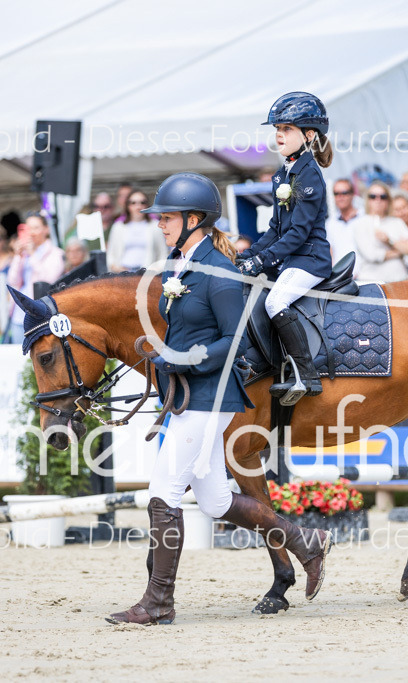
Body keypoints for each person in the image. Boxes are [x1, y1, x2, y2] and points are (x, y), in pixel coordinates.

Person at [106, 172, 330, 625]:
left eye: (167, 218)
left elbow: (234, 340)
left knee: (163, 495)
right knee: (215, 502)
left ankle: (158, 603)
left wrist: (184, 356)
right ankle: (305, 541)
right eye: (160, 218)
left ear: (194, 219)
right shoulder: (183, 266)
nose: (160, 225)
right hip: (192, 394)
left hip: (209, 397)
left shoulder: (221, 274)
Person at [237, 92, 335, 401]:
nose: (279, 134)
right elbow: (276, 229)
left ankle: (307, 375)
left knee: (274, 302)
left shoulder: (309, 176)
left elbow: (298, 234)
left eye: (286, 128)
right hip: (291, 259)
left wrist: (262, 261)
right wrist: (247, 256)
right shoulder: (283, 173)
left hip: (310, 259)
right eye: (277, 128)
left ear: (308, 135)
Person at [6, 212, 65, 341]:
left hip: (42, 314)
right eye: (28, 228)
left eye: (36, 228)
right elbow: (12, 280)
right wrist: (18, 256)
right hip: (19, 314)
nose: (31, 233)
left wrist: (33, 254)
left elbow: (47, 280)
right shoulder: (24, 253)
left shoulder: (56, 254)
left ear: (46, 229)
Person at [351, 181, 408, 282]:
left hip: (399, 279)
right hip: (372, 281)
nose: (378, 200)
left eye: (383, 196)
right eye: (373, 196)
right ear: (368, 200)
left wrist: (389, 241)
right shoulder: (360, 223)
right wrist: (399, 251)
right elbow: (372, 255)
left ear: (388, 200)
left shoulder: (397, 222)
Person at [106, 188, 167, 272]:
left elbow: (163, 254)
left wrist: (156, 270)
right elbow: (111, 254)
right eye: (133, 203)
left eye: (142, 202)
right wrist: (115, 268)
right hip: (122, 274)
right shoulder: (118, 226)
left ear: (147, 205)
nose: (138, 206)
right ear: (128, 205)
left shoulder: (155, 226)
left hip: (147, 274)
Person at [324, 178, 362, 263]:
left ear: (352, 194)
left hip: (364, 274)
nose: (340, 197)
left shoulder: (363, 217)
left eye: (344, 193)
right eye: (336, 193)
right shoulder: (330, 223)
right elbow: (330, 252)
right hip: (340, 274)